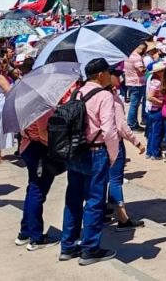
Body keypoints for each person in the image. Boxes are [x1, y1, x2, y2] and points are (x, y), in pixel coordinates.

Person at [59, 58, 120, 265]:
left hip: (76, 151)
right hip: (96, 152)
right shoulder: (104, 95)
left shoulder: (77, 92)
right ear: (101, 74)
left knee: (73, 199)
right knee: (94, 202)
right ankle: (90, 249)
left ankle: (68, 246)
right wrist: (113, 156)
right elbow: (109, 130)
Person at [15, 101, 58, 250]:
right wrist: (56, 146)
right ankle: (36, 237)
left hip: (27, 145)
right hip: (39, 148)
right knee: (37, 191)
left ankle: (25, 232)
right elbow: (43, 133)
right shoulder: (40, 105)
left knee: (33, 188)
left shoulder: (21, 103)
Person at [107, 71, 146, 231]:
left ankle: (106, 209)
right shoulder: (112, 99)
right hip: (115, 143)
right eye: (117, 74)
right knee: (115, 180)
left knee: (105, 179)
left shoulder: (87, 94)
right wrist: (136, 142)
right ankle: (123, 218)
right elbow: (122, 126)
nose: (120, 77)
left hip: (98, 143)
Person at [144, 61, 166, 160]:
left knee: (152, 131)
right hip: (156, 109)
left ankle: (149, 151)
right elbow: (150, 97)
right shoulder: (157, 82)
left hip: (152, 109)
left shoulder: (154, 80)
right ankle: (155, 153)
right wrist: (161, 103)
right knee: (157, 132)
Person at [123, 44, 147, 131]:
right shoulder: (137, 57)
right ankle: (132, 123)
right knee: (134, 104)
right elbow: (140, 70)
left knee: (134, 104)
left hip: (130, 81)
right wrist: (146, 68)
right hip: (137, 82)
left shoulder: (128, 55)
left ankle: (133, 122)